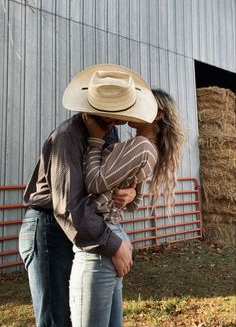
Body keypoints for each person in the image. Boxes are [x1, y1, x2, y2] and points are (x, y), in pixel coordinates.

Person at [18, 64, 157, 327]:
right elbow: (68, 207)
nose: (118, 122)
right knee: (57, 319)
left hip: (81, 227)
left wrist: (129, 191)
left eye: (120, 115)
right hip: (50, 229)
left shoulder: (108, 130)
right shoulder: (67, 138)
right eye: (111, 117)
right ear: (93, 111)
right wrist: (114, 244)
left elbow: (106, 180)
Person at [68, 89, 185, 327]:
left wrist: (94, 139)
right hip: (112, 231)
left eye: (141, 104)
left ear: (157, 115)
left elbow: (94, 182)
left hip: (100, 238)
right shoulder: (145, 147)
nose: (134, 106)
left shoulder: (141, 146)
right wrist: (130, 193)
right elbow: (135, 202)